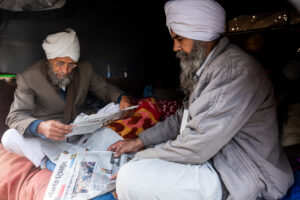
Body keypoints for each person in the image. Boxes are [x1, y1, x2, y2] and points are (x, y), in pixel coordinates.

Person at [108, 0, 294, 199]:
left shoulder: (233, 71)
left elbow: (197, 146)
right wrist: (138, 142)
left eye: (179, 39)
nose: (175, 47)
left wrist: (139, 158)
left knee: (130, 176)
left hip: (245, 175)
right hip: (218, 160)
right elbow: (182, 118)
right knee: (144, 161)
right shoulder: (210, 68)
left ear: (202, 36)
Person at [1, 28, 131, 167]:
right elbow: (15, 116)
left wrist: (122, 98)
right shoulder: (29, 77)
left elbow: (104, 89)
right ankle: (50, 163)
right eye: (60, 63)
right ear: (49, 59)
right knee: (9, 137)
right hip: (47, 138)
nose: (65, 71)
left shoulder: (85, 69)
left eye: (71, 65)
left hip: (79, 133)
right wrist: (40, 126)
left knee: (117, 107)